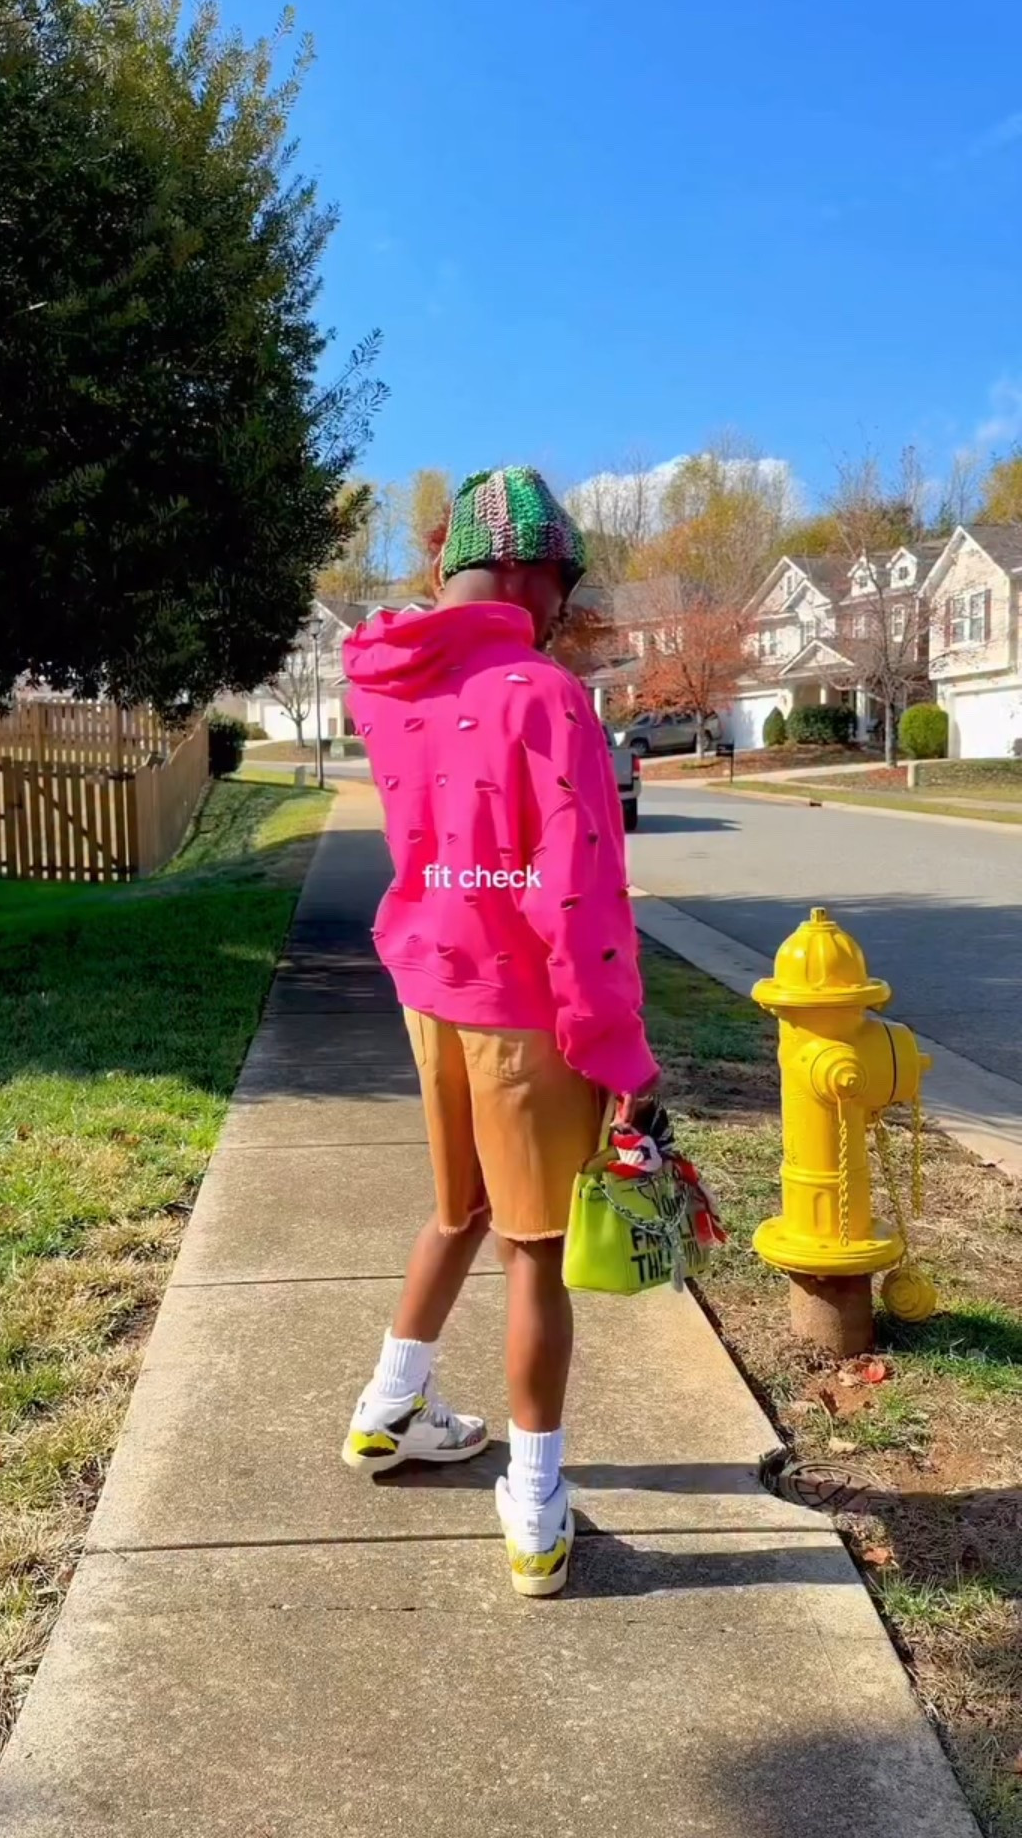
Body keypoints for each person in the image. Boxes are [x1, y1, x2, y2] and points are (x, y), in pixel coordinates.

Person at [340, 467, 660, 1596]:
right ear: (528, 573)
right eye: (563, 585)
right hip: (525, 1014)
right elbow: (576, 897)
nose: (565, 609)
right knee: (536, 1255)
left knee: (455, 1209)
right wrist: (619, 1053)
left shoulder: (386, 682)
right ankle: (534, 1503)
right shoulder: (544, 694)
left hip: (430, 985)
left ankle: (389, 1409)